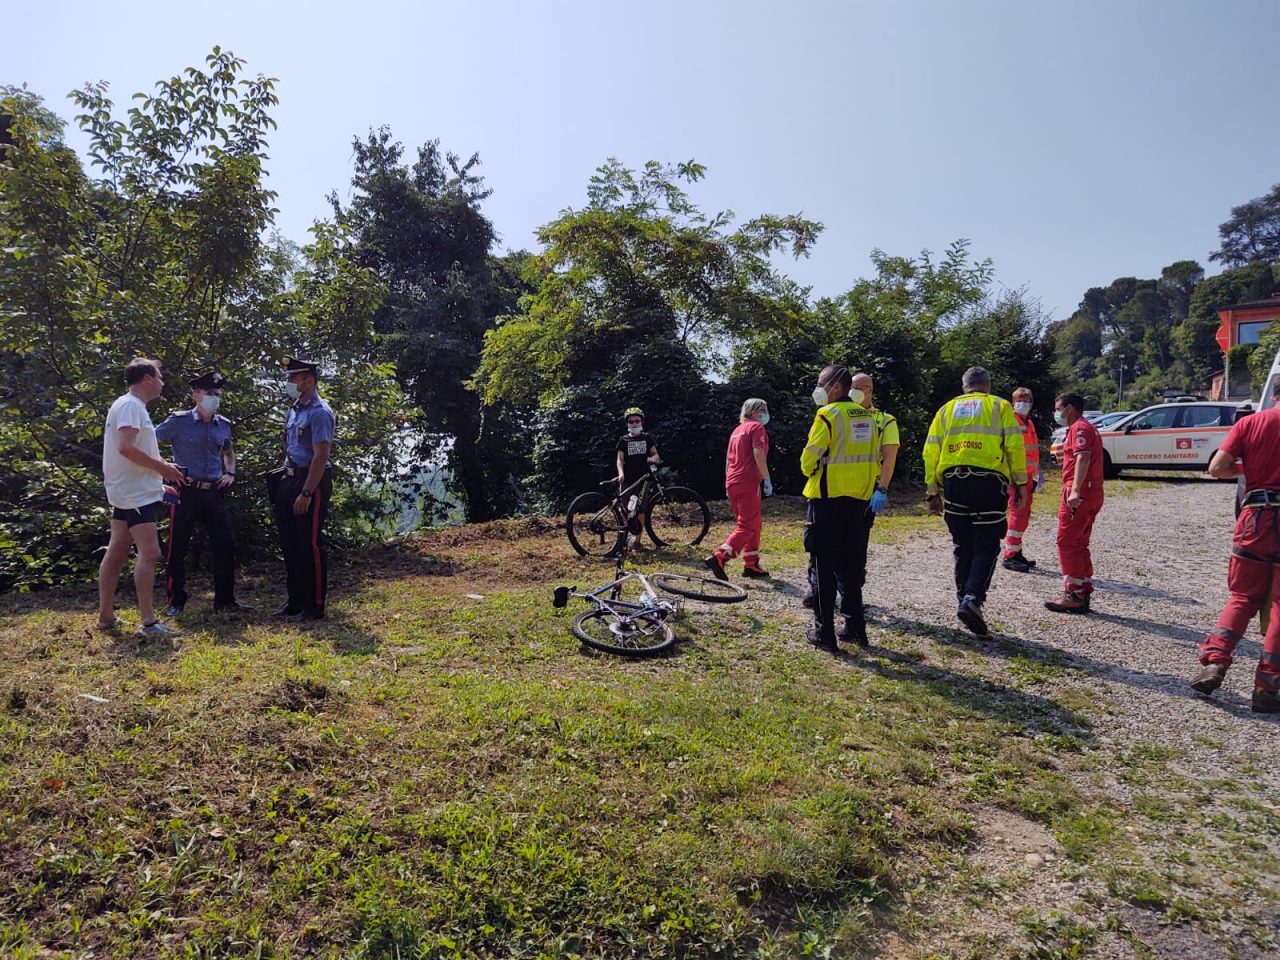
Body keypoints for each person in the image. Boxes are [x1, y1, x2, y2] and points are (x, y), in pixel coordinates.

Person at [1189, 377, 1280, 713]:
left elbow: (1216, 467)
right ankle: (1268, 687)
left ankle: (1214, 662)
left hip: (1255, 516)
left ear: (1274, 394)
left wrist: (1251, 472)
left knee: (1242, 596)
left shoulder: (1250, 423)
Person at [924, 365, 1028, 636]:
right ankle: (972, 599)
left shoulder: (946, 409)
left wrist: (931, 490)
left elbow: (931, 449)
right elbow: (1014, 445)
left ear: (964, 387)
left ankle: (964, 600)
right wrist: (1020, 482)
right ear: (988, 386)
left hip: (954, 481)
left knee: (962, 543)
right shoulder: (1000, 406)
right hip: (989, 482)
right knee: (987, 543)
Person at [96, 358, 185, 636]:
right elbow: (126, 448)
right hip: (134, 495)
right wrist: (164, 469)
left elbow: (132, 453)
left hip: (131, 491)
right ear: (147, 378)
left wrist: (158, 484)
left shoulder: (131, 406)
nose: (162, 382)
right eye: (159, 376)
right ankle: (148, 622)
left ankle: (106, 615)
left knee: (117, 550)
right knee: (150, 553)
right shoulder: (131, 406)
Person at [800, 365, 882, 652]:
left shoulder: (828, 415)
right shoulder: (870, 418)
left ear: (836, 386)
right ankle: (856, 628)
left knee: (823, 568)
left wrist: (814, 469)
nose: (818, 388)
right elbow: (875, 459)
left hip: (827, 501)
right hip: (859, 503)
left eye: (821, 383)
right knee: (850, 569)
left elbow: (808, 459)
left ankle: (824, 633)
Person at [154, 371, 249, 617]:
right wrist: (165, 468)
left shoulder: (223, 425)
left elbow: (228, 452)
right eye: (209, 393)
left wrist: (231, 473)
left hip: (214, 492)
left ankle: (225, 600)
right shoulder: (178, 421)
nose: (214, 398)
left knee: (224, 544)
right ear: (196, 395)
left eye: (217, 394)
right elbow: (149, 442)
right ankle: (176, 601)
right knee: (178, 547)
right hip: (185, 491)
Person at [272, 357, 335, 621]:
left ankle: (314, 605)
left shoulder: (320, 412)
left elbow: (320, 456)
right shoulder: (295, 409)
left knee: (309, 544)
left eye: (294, 378)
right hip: (289, 479)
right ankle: (295, 601)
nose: (289, 383)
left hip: (311, 481)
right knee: (290, 543)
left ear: (309, 380)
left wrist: (307, 492)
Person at [1044, 393, 1104, 614]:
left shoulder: (1080, 428)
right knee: (1079, 542)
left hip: (1079, 491)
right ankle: (1083, 587)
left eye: (1058, 408)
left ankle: (1074, 593)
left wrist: (1075, 490)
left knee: (1067, 542)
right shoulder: (1085, 427)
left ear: (1068, 408)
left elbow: (1083, 457)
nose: (1057, 412)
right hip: (1092, 490)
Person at [705, 398, 772, 580]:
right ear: (752, 411)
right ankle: (721, 556)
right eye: (762, 410)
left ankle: (751, 563)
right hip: (749, 480)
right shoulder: (756, 428)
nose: (765, 413)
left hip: (733, 481)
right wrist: (766, 478)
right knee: (748, 524)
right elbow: (758, 453)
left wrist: (728, 482)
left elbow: (728, 459)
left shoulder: (736, 431)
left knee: (753, 524)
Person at [1001, 387, 1043, 573]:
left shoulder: (1029, 423)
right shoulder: (1011, 421)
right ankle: (1009, 554)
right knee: (1017, 514)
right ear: (1013, 402)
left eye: (1027, 400)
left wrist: (1037, 475)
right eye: (1020, 400)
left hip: (1028, 475)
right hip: (1016, 477)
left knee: (1023, 515)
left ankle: (1016, 551)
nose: (1023, 403)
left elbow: (1032, 451)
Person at [615, 406, 660, 552]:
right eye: (631, 421)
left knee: (641, 510)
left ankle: (637, 542)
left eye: (637, 421)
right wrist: (621, 473)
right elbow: (619, 460)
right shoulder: (623, 440)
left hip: (643, 480)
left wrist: (651, 459)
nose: (634, 424)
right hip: (627, 480)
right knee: (626, 510)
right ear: (627, 424)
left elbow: (656, 455)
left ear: (642, 422)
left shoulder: (647, 438)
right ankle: (624, 539)